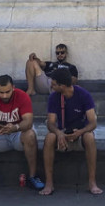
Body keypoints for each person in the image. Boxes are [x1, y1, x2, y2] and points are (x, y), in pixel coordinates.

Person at [40, 68, 101, 196]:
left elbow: (93, 123)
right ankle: (49, 183)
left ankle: (92, 182)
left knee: (89, 137)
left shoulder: (83, 95)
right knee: (49, 137)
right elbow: (50, 123)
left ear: (62, 86)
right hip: (62, 134)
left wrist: (80, 132)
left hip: (80, 134)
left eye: (54, 84)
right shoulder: (53, 97)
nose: (51, 85)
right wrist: (59, 133)